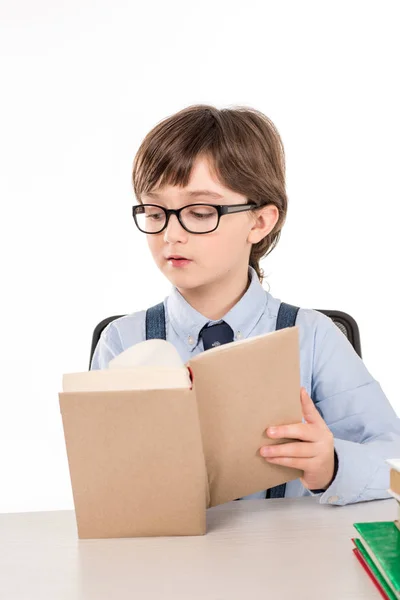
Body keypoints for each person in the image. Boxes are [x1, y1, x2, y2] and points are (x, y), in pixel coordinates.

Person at [91, 104, 400, 505]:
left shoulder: (313, 337)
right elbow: (100, 481)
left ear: (260, 222)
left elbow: (392, 457)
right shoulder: (122, 342)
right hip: (164, 561)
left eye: (200, 213)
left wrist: (333, 466)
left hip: (288, 561)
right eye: (154, 212)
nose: (171, 234)